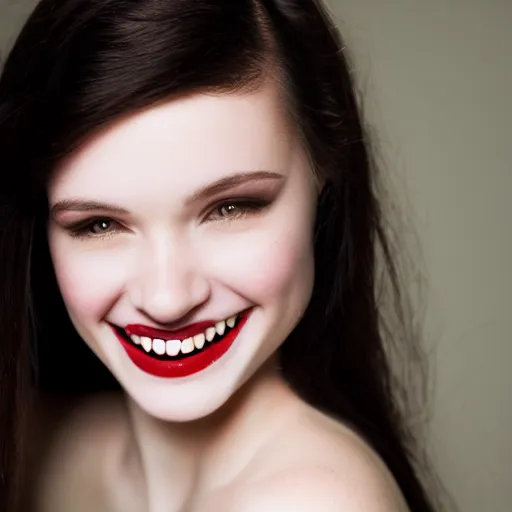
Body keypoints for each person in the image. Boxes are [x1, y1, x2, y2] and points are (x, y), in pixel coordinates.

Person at [0, 0, 444, 510]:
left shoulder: (320, 500)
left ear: (324, 174)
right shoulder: (30, 440)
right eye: (98, 224)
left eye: (231, 208)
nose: (168, 300)